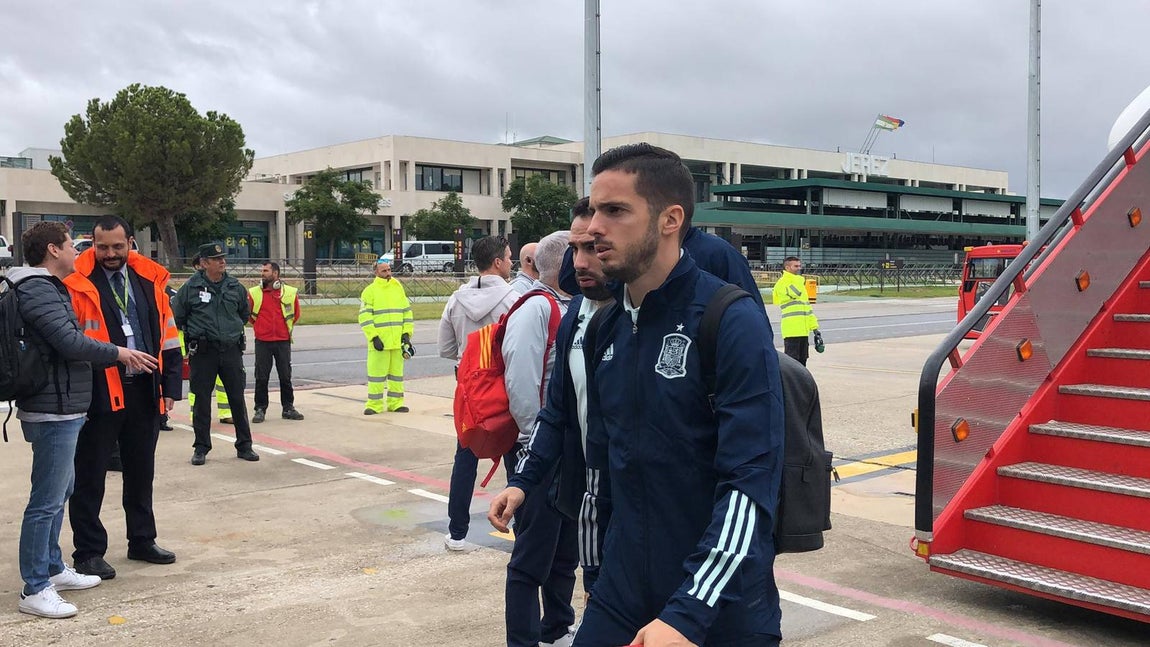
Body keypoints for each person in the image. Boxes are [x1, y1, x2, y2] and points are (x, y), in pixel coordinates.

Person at [490, 143, 785, 646]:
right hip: (622, 591)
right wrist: (532, 484)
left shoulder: (729, 321)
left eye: (615, 211)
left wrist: (688, 614)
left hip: (718, 607)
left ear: (670, 220)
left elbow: (750, 485)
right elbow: (597, 459)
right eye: (595, 209)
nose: (595, 227)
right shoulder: (606, 330)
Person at [9, 221, 157, 618]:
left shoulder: (50, 287)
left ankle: (53, 568)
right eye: (72, 246)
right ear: (54, 251)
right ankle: (35, 587)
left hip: (67, 406)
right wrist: (121, 353)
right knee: (45, 502)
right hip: (52, 408)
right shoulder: (38, 288)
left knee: (59, 495)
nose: (80, 253)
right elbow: (69, 342)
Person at [64, 216, 183, 581]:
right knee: (90, 474)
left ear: (130, 242)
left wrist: (170, 388)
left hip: (144, 390)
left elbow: (168, 336)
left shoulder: (150, 280)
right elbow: (71, 342)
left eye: (118, 246)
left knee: (140, 471)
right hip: (99, 395)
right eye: (103, 247)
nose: (110, 254)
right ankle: (88, 551)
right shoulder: (78, 284)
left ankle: (142, 539)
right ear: (93, 245)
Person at [500, 230, 577, 647]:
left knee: (565, 549)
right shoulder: (535, 309)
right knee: (532, 555)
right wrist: (534, 444)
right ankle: (524, 639)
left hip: (568, 451)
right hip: (539, 450)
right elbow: (521, 383)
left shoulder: (572, 307)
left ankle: (557, 626)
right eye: (579, 252)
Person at [439, 235, 519, 551]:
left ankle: (457, 533)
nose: (511, 263)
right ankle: (523, 530)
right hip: (502, 385)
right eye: (509, 258)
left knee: (466, 455)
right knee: (515, 456)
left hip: (469, 388)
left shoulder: (456, 299)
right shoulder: (515, 299)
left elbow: (445, 347)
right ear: (498, 262)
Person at [172, 242, 260, 465]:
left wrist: (228, 332)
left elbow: (243, 314)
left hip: (230, 350)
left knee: (237, 399)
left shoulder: (234, 286)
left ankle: (245, 445)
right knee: (202, 401)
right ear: (203, 263)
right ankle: (201, 447)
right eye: (216, 259)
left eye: (223, 258)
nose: (222, 262)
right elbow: (179, 317)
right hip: (203, 351)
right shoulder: (190, 288)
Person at [248, 261, 304, 423]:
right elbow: (249, 315)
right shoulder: (254, 293)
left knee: (285, 376)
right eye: (262, 270)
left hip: (282, 340)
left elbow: (295, 314)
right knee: (261, 376)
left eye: (266, 270)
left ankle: (288, 408)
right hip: (263, 341)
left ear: (276, 274)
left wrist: (281, 329)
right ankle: (260, 409)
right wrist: (261, 327)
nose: (262, 273)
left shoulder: (290, 293)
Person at [359, 259, 414, 414]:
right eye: (384, 271)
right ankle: (374, 405)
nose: (388, 273)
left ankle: (395, 403)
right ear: (376, 272)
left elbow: (406, 312)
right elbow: (365, 317)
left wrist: (406, 334)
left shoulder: (397, 288)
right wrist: (373, 337)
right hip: (380, 343)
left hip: (397, 342)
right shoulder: (369, 291)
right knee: (376, 375)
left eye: (389, 270)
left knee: (396, 375)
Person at [773, 256, 819, 366]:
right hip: (792, 330)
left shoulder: (798, 282)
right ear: (787, 267)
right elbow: (795, 292)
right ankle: (790, 383)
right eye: (796, 266)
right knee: (792, 363)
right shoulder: (783, 283)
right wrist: (799, 279)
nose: (799, 268)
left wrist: (815, 328)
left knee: (803, 361)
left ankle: (801, 383)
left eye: (800, 265)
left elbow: (807, 309)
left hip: (803, 330)